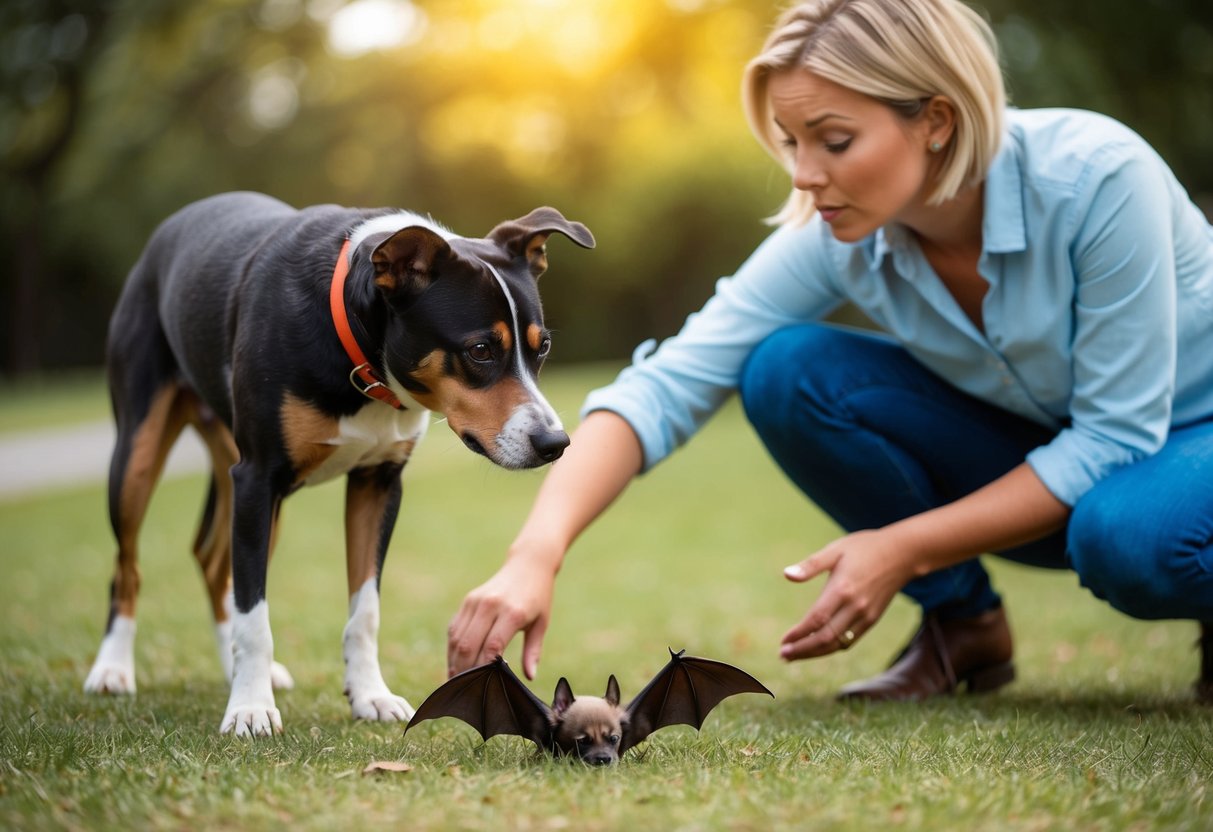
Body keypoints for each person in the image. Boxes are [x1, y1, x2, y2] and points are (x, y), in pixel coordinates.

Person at [446, 0, 1213, 702]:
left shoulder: (1098, 179)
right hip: (1063, 466)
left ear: (936, 120)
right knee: (786, 372)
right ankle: (964, 630)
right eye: (791, 142)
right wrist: (534, 555)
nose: (806, 176)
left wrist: (901, 547)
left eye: (835, 141)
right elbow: (669, 382)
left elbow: (1113, 439)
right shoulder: (841, 230)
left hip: (1178, 449)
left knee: (1127, 535)